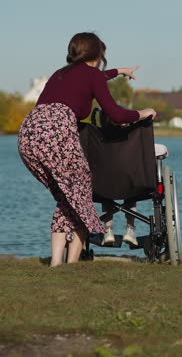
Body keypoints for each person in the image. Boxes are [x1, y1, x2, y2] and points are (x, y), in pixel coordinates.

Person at [18, 32, 156, 266]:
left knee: (66, 197)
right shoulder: (92, 74)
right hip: (57, 132)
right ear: (99, 54)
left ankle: (56, 263)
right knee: (80, 194)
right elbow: (116, 114)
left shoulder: (60, 73)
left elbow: (92, 78)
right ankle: (70, 264)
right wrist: (144, 113)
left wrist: (119, 72)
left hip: (29, 134)